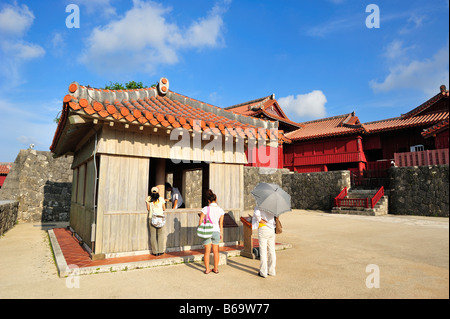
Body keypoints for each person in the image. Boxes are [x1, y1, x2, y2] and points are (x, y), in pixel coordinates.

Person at [198, 189, 224, 274]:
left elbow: (200, 221)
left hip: (207, 232)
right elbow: (221, 224)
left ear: (208, 201)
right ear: (216, 200)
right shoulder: (221, 210)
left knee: (207, 251)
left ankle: (207, 269)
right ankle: (216, 269)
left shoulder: (205, 209)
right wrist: (221, 233)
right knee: (216, 251)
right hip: (216, 231)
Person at [253, 207, 276, 278]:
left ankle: (263, 272)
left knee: (263, 251)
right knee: (272, 250)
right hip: (271, 228)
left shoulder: (260, 202)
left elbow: (256, 213)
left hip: (263, 227)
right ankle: (272, 270)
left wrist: (260, 220)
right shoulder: (273, 204)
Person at [146, 186, 167, 256]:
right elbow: (164, 208)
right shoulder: (161, 199)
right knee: (160, 235)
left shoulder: (148, 199)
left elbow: (148, 209)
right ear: (158, 192)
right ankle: (161, 250)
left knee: (153, 235)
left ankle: (155, 252)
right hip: (160, 218)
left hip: (152, 218)